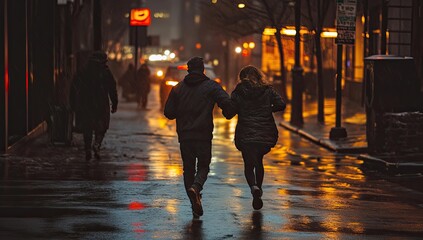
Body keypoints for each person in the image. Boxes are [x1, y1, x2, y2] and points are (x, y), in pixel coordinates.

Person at [164, 57, 233, 218]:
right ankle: (196, 187)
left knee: (188, 168)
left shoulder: (178, 88)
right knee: (203, 166)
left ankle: (194, 201)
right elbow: (227, 104)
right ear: (203, 70)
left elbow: (168, 113)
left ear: (188, 70)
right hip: (203, 135)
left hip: (185, 136)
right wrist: (229, 111)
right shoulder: (211, 87)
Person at [225, 65, 286, 210]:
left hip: (246, 133)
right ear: (259, 76)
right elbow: (281, 104)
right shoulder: (267, 90)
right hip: (264, 133)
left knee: (248, 164)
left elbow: (229, 112)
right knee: (259, 161)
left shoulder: (239, 92)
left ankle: (253, 188)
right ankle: (259, 187)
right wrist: (267, 109)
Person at [70, 51, 118, 161]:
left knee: (87, 127)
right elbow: (112, 88)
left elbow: (74, 88)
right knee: (102, 127)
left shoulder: (83, 71)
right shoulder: (105, 72)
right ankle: (97, 144)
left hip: (85, 104)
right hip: (101, 104)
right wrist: (114, 103)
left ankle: (88, 149)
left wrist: (73, 104)